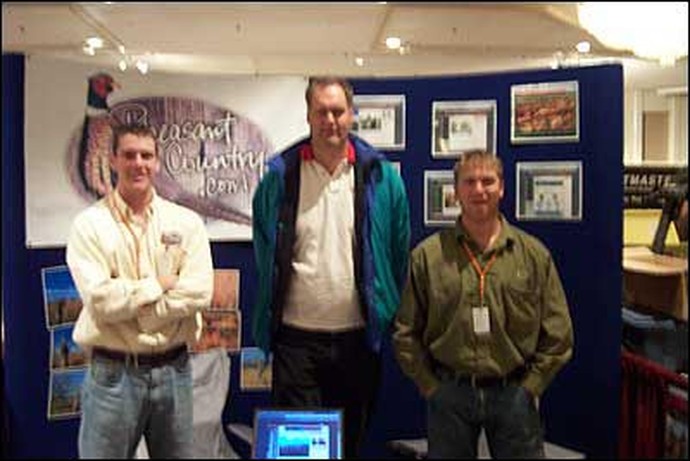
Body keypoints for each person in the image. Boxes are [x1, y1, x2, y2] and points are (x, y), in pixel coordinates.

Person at [252, 76, 410, 458]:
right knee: (300, 451)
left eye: (338, 111)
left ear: (352, 114)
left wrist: (385, 310)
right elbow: (263, 249)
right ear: (307, 114)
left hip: (357, 341)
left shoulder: (381, 176)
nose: (330, 120)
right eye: (321, 111)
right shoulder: (279, 176)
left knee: (349, 445)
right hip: (296, 342)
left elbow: (397, 249)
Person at [393, 150, 573, 459]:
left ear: (502, 187)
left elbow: (559, 334)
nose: (479, 190)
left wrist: (531, 386)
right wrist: (430, 386)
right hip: (450, 394)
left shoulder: (532, 255)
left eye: (487, 181)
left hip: (514, 394)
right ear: (456, 190)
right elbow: (404, 332)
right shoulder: (428, 256)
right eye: (469, 182)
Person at [66, 123, 214, 458]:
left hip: (174, 372)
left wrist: (142, 312)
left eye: (146, 155)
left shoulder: (187, 223)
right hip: (113, 377)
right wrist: (156, 286)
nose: (139, 163)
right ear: (114, 160)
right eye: (129, 155)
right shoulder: (89, 226)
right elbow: (100, 301)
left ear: (158, 162)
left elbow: (199, 292)